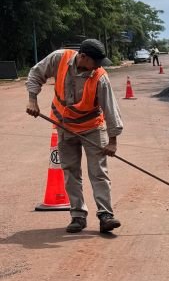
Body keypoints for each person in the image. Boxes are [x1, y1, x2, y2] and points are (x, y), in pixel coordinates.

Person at [25, 39, 124, 234]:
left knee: (98, 172)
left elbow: (111, 110)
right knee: (71, 172)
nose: (97, 66)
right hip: (64, 127)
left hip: (93, 129)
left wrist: (113, 141)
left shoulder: (100, 77)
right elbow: (36, 73)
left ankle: (106, 216)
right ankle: (78, 216)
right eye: (95, 62)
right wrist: (32, 100)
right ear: (83, 57)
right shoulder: (59, 59)